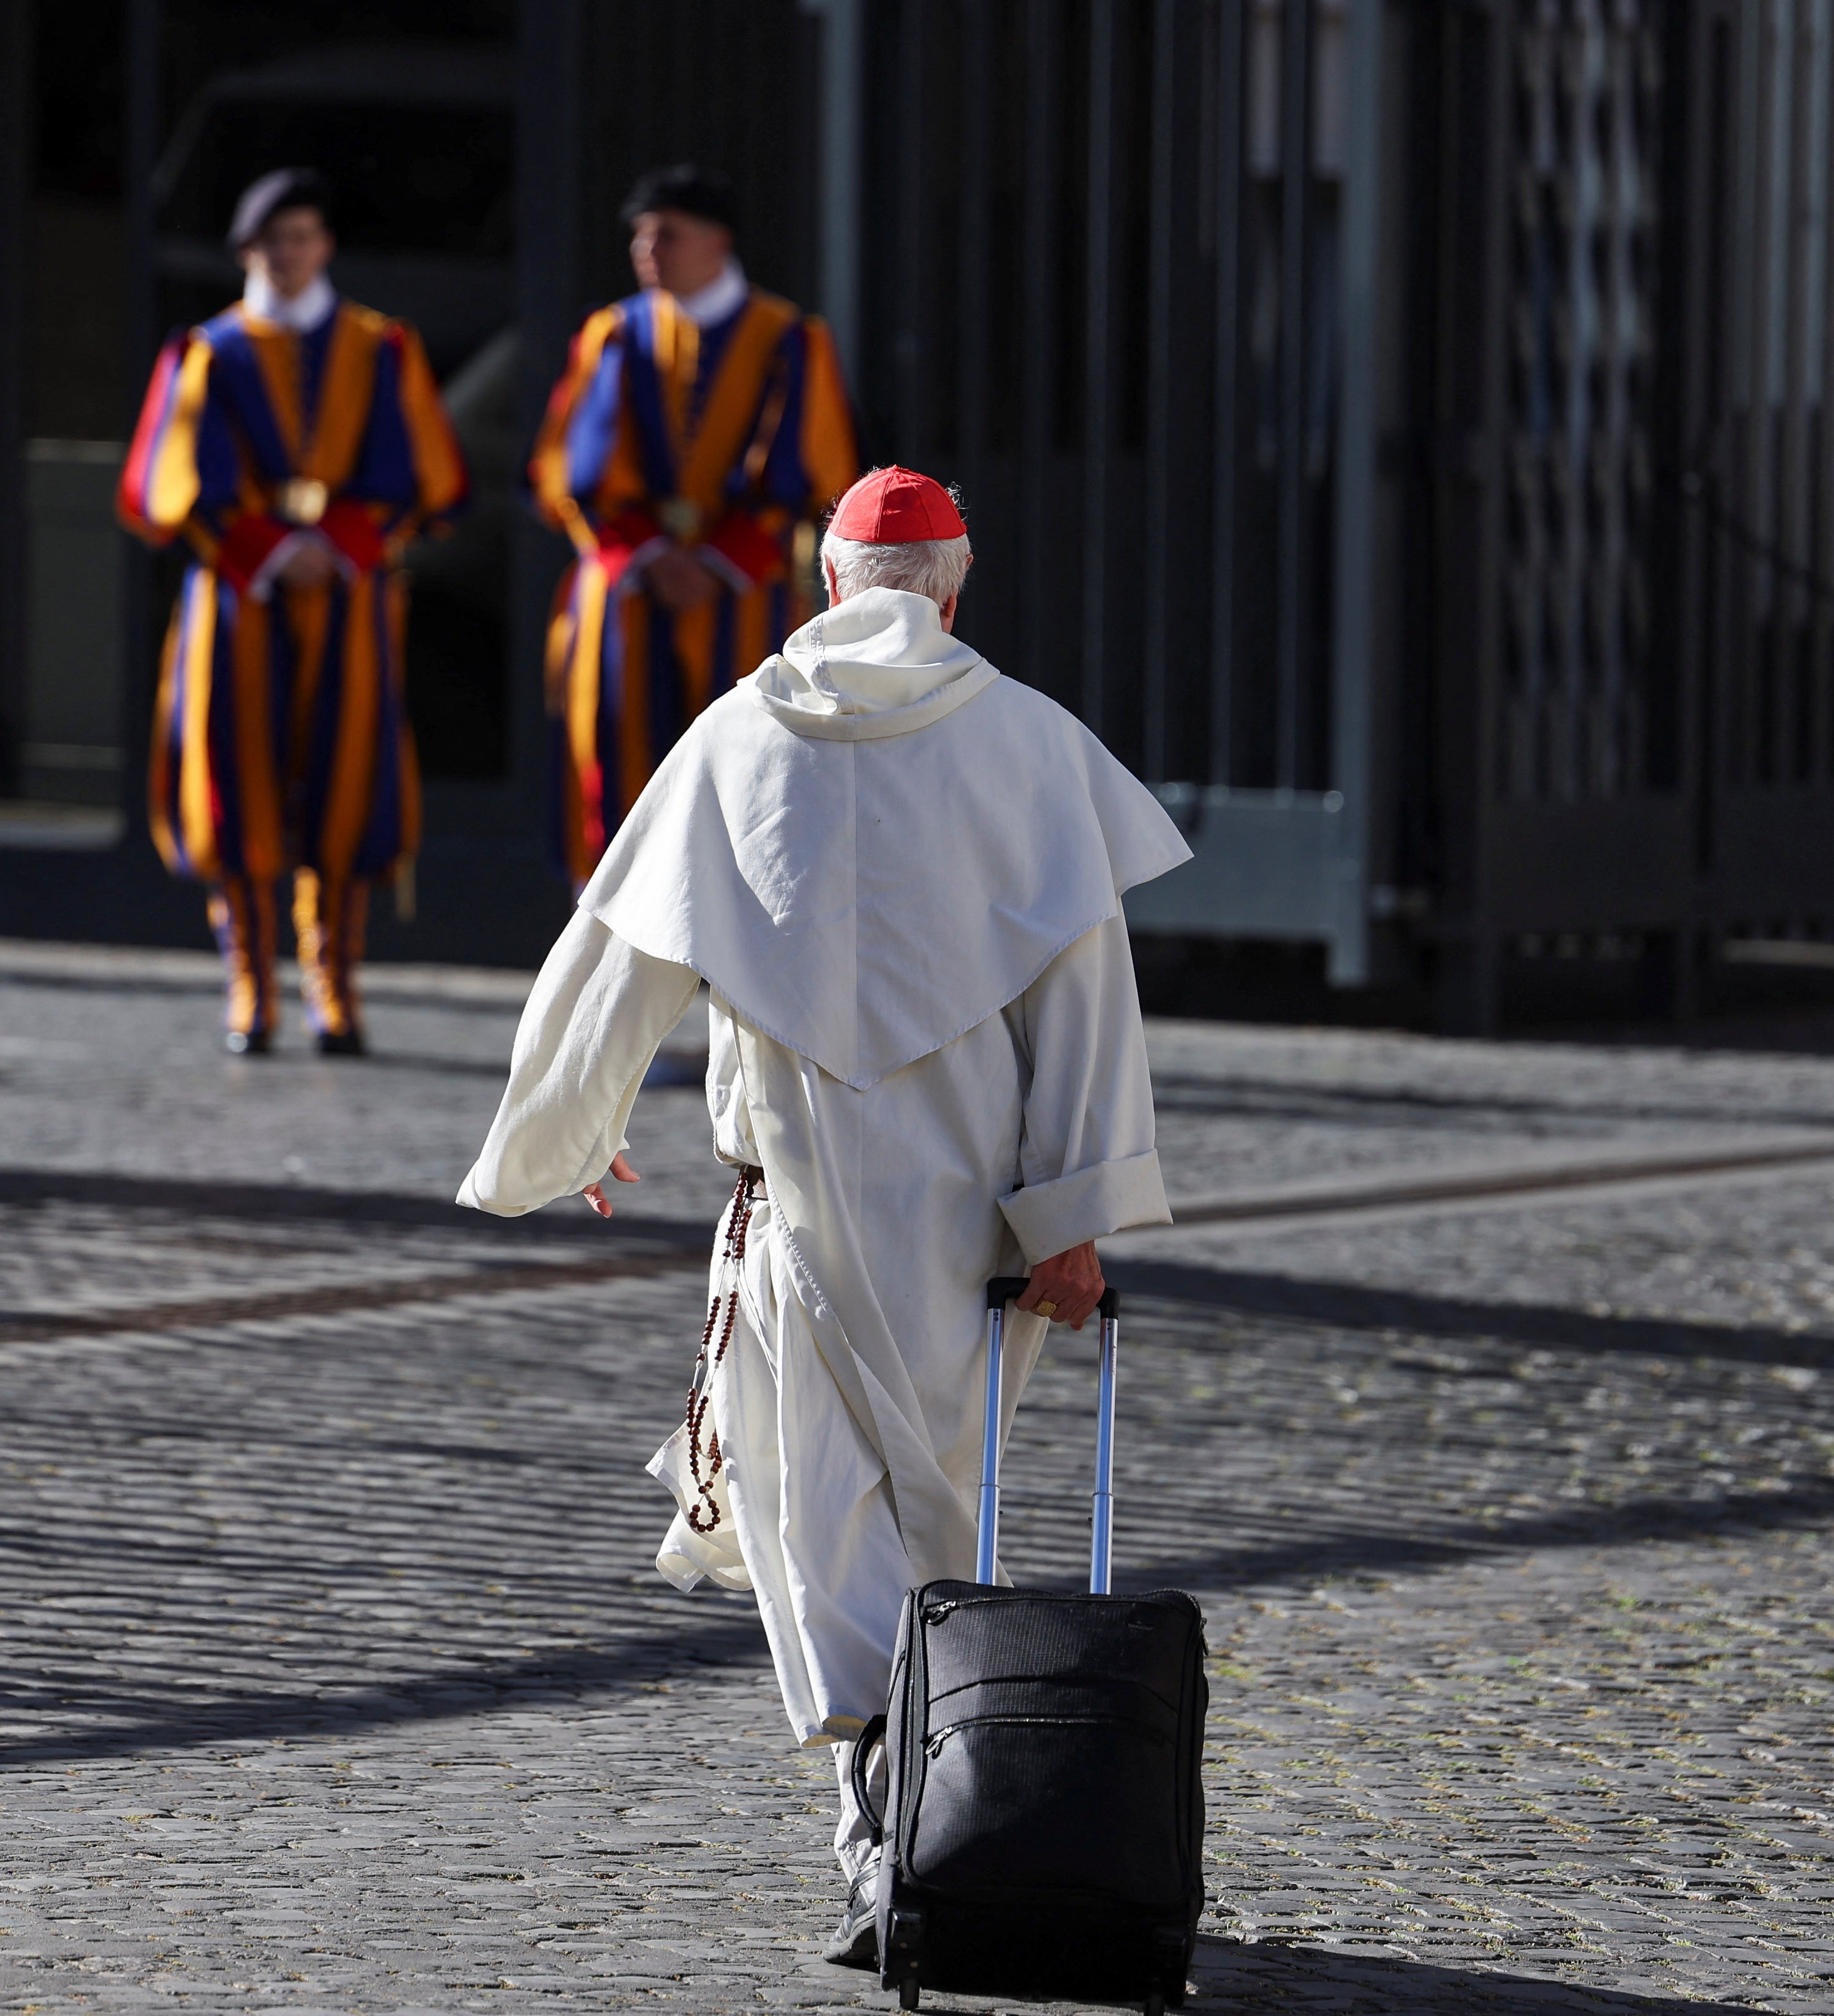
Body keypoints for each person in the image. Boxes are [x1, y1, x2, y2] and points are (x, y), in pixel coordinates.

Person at [456, 468, 1188, 1963]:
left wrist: (559, 1133)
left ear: (829, 586)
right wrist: (1070, 1212)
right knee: (930, 1492)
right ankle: (912, 1799)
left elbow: (612, 956)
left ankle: (889, 1808)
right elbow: (1085, 1003)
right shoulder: (1032, 748)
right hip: (972, 1201)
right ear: (951, 591)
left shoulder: (735, 740)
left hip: (794, 1188)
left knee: (813, 1508)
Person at [118, 167, 467, 1055]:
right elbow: (172, 482)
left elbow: (422, 475)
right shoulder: (209, 350)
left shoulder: (381, 346)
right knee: (237, 778)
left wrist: (338, 546)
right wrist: (273, 549)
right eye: (274, 240)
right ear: (248, 251)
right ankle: (249, 982)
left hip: (349, 596)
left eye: (304, 236)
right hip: (240, 595)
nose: (290, 253)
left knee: (346, 779)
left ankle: (334, 981)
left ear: (327, 247)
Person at [530, 164, 860, 885]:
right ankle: (617, 938)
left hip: (742, 591)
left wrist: (712, 560)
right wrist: (651, 553)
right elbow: (568, 470)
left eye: (666, 234)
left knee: (749, 762)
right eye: (640, 236)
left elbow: (817, 476)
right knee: (614, 756)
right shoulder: (612, 333)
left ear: (717, 241)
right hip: (629, 583)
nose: (647, 249)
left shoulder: (789, 338)